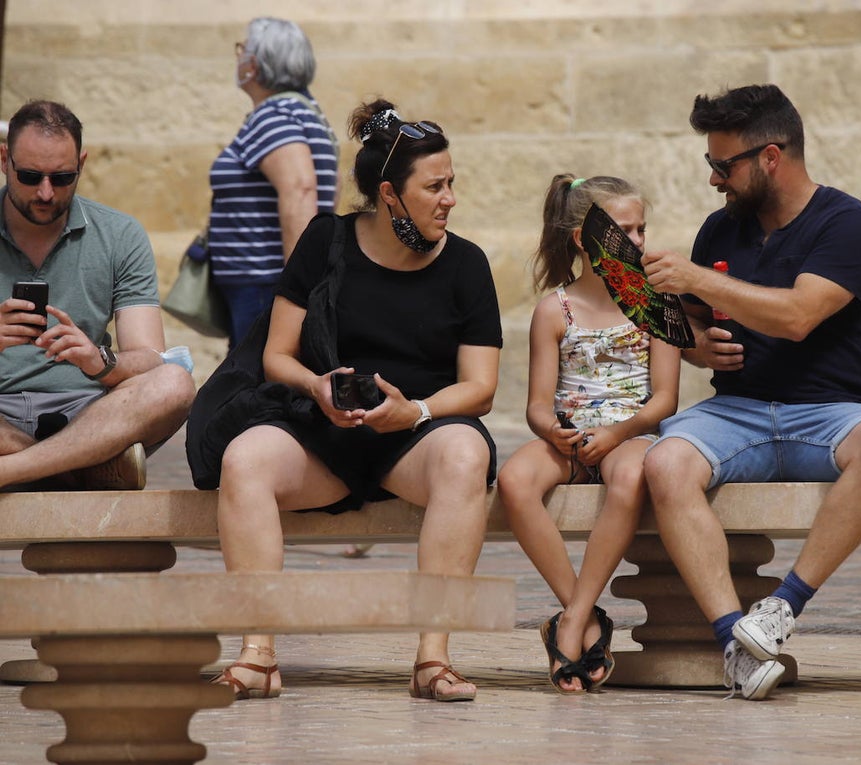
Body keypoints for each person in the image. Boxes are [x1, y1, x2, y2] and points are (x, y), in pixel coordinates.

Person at [195, 97, 502, 703]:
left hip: (416, 435)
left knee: (466, 454)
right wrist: (316, 385)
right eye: (434, 186)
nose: (450, 198)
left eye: (451, 183)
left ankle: (433, 659)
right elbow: (276, 357)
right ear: (390, 195)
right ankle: (258, 654)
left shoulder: (466, 264)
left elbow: (480, 386)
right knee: (245, 460)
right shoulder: (325, 241)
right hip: (324, 429)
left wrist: (414, 411)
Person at [640, 84, 861, 700]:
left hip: (830, 413)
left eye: (722, 164)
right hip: (734, 413)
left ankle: (781, 608)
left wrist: (696, 277)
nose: (713, 180)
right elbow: (688, 322)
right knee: (666, 461)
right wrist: (695, 346)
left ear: (769, 156)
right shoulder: (721, 230)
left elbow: (797, 316)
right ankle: (735, 642)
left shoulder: (848, 224)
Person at [497, 175, 680, 693]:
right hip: (572, 439)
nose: (639, 241)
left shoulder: (656, 301)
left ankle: (572, 623)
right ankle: (585, 615)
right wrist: (551, 431)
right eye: (625, 230)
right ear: (583, 238)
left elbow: (665, 399)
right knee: (513, 480)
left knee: (629, 479)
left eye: (641, 228)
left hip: (632, 434)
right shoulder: (555, 310)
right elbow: (536, 403)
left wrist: (619, 432)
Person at [0, 100, 195, 490]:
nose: (45, 192)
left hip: (87, 413)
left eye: (62, 178)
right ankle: (80, 471)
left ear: (82, 165)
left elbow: (151, 359)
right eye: (30, 175)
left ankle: (17, 471)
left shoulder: (119, 234)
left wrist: (99, 360)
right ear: (4, 159)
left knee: (175, 384)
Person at [210, 16, 339, 347]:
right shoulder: (307, 113)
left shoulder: (274, 115)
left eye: (241, 50)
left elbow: (300, 190)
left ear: (253, 64)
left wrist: (295, 288)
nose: (237, 58)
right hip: (264, 284)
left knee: (256, 389)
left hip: (264, 286)